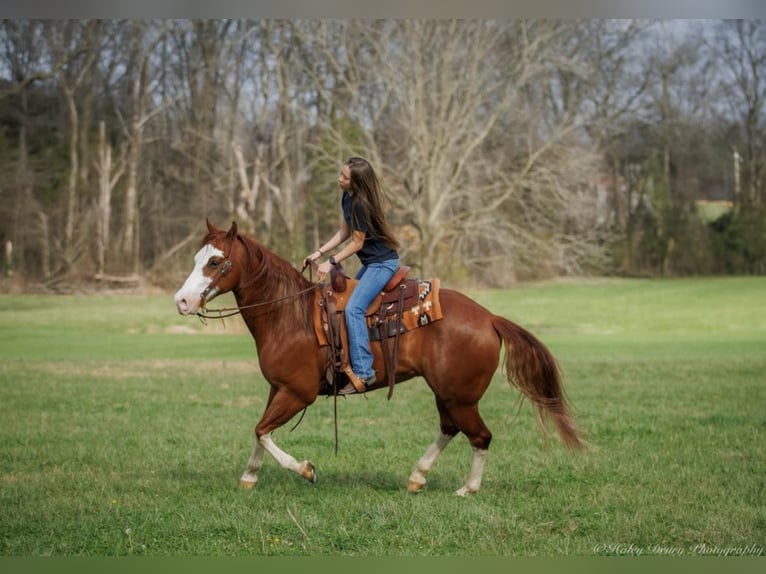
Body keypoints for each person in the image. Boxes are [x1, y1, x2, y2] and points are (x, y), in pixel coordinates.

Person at [304, 157, 400, 395]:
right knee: (344, 303)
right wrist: (319, 252)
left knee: (353, 309)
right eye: (340, 174)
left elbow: (357, 243)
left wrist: (331, 262)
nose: (340, 179)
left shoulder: (362, 204)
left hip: (383, 264)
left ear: (356, 182)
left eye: (345, 177)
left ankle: (365, 372)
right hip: (371, 264)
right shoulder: (347, 197)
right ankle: (346, 359)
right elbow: (344, 232)